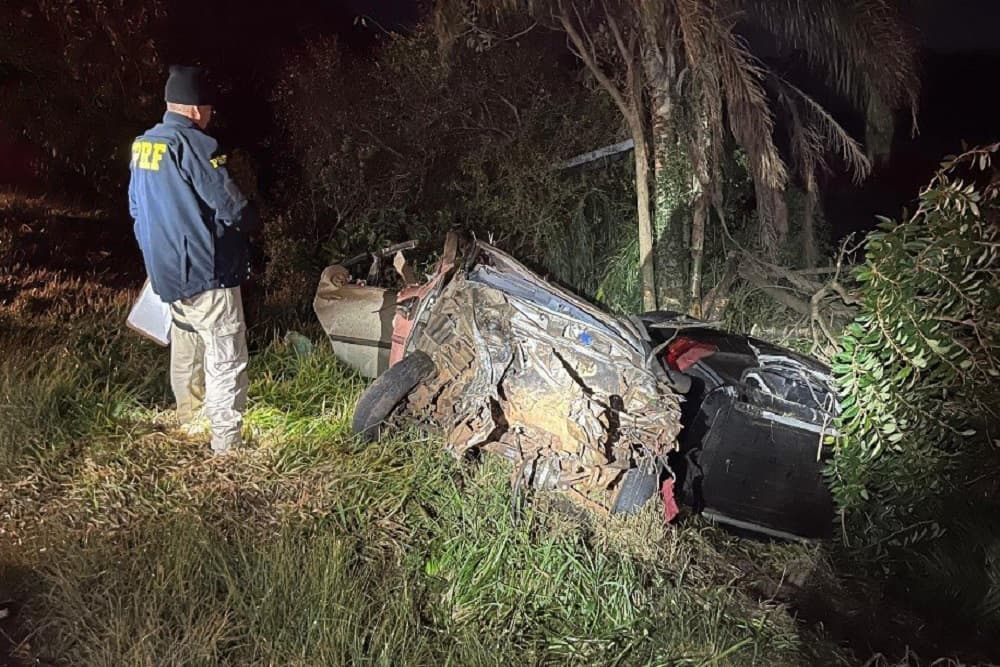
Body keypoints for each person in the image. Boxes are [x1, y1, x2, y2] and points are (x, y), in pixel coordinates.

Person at [128, 65, 260, 454]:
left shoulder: (143, 144)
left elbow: (137, 209)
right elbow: (230, 206)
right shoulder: (196, 146)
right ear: (195, 108)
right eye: (209, 108)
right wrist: (252, 219)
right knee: (225, 356)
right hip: (207, 273)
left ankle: (189, 417)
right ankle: (226, 445)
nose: (211, 115)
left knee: (186, 345)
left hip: (166, 273)